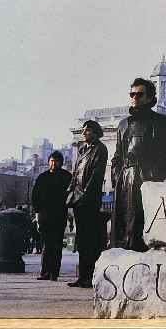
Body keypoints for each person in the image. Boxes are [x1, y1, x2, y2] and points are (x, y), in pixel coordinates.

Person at [110, 78, 166, 251]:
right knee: (122, 232)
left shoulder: (161, 121)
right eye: (132, 94)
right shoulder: (123, 124)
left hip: (146, 181)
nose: (134, 98)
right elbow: (117, 155)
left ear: (150, 97)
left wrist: (151, 178)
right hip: (124, 182)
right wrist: (117, 178)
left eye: (139, 94)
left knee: (142, 231)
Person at [65, 120, 108, 288]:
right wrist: (70, 192)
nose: (83, 133)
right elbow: (75, 172)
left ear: (96, 132)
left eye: (88, 130)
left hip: (89, 200)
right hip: (77, 199)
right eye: (83, 130)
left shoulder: (100, 149)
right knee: (81, 239)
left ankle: (89, 276)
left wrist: (85, 195)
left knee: (90, 239)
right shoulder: (82, 149)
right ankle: (83, 276)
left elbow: (96, 176)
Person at [31, 150, 72, 281]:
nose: (54, 164)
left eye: (56, 161)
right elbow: (35, 197)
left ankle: (54, 273)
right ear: (48, 162)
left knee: (57, 245)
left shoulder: (67, 177)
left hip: (60, 215)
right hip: (45, 215)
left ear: (61, 162)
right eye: (52, 161)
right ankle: (45, 272)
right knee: (46, 245)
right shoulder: (42, 177)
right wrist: (37, 214)